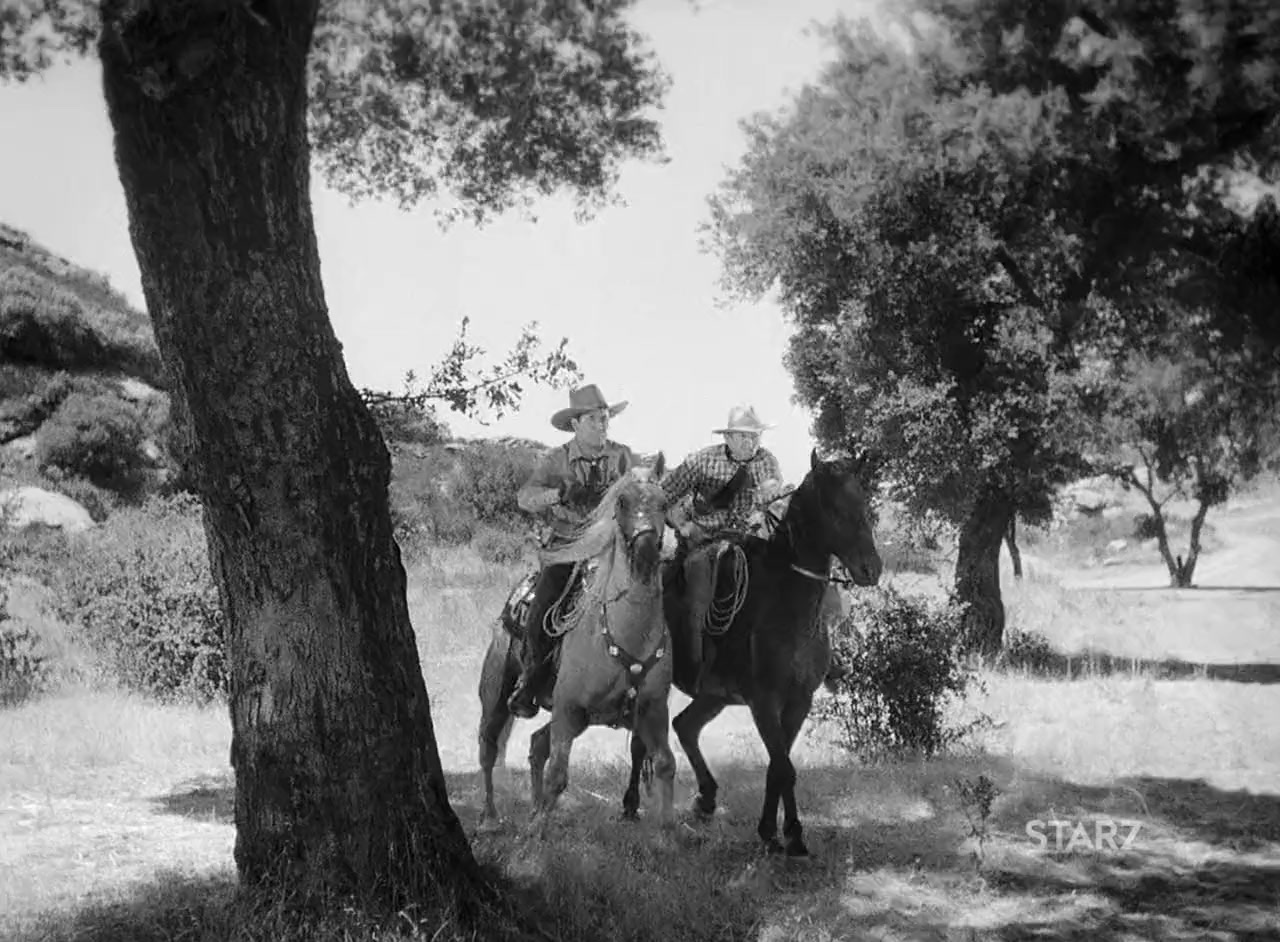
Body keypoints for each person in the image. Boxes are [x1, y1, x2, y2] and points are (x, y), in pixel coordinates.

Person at [506, 384, 638, 719]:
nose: (602, 423)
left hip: (612, 546)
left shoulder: (622, 456)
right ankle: (531, 680)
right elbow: (525, 498)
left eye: (605, 417)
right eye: (593, 418)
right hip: (567, 547)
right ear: (576, 424)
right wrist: (558, 494)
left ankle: (646, 681)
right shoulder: (556, 459)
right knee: (545, 603)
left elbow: (641, 489)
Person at [660, 404, 785, 692]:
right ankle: (692, 663)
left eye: (755, 436)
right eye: (743, 436)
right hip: (700, 541)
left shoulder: (766, 461)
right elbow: (664, 494)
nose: (750, 442)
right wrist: (683, 525)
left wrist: (770, 492)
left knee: (786, 581)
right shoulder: (702, 461)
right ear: (727, 438)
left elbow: (771, 488)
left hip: (747, 541)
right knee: (681, 588)